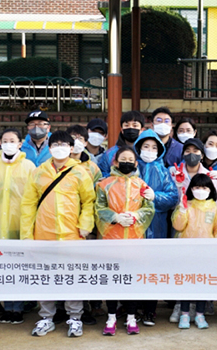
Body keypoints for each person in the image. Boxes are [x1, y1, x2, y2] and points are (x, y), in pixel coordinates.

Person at [20, 131, 96, 338]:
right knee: (45, 277)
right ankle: (46, 317)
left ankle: (75, 318)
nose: (59, 147)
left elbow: (89, 201)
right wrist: (26, 235)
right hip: (43, 234)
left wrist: (85, 224)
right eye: (55, 144)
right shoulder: (38, 172)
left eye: (64, 144)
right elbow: (28, 204)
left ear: (72, 148)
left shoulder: (80, 172)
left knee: (73, 277)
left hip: (72, 235)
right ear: (49, 148)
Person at [94, 146, 154, 336]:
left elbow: (149, 209)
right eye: (123, 159)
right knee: (112, 280)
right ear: (115, 162)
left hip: (135, 240)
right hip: (111, 240)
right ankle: (111, 316)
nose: (127, 162)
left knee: (130, 281)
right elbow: (98, 208)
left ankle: (131, 317)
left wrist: (137, 215)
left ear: (136, 164)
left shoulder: (142, 185)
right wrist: (115, 217)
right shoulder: (104, 185)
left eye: (130, 159)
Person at [0, 129, 36, 324]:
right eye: (5, 140)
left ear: (20, 143)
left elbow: (34, 198)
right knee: (4, 269)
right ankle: (8, 307)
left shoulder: (29, 167)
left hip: (20, 226)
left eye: (12, 140)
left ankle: (19, 307)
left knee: (20, 269)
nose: (8, 143)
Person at [171, 174, 217, 329]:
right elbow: (178, 226)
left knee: (202, 284)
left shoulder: (214, 209)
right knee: (187, 283)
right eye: (196, 187)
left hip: (206, 254)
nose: (200, 190)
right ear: (191, 189)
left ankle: (200, 315)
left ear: (210, 190)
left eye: (204, 187)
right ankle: (185, 314)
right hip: (186, 252)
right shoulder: (187, 206)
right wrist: (181, 209)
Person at [133, 129, 178, 242]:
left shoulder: (163, 171)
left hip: (157, 222)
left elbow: (173, 196)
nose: (150, 150)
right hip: (134, 219)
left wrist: (155, 197)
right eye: (146, 146)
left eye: (154, 148)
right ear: (139, 148)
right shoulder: (131, 169)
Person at [170, 137, 217, 204]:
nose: (191, 154)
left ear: (202, 156)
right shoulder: (174, 174)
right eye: (188, 151)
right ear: (183, 155)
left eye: (195, 151)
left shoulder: (210, 176)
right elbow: (170, 199)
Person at [97, 111, 146, 177]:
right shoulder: (110, 154)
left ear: (142, 129)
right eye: (126, 125)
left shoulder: (147, 153)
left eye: (135, 125)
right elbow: (101, 175)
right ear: (122, 130)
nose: (130, 128)